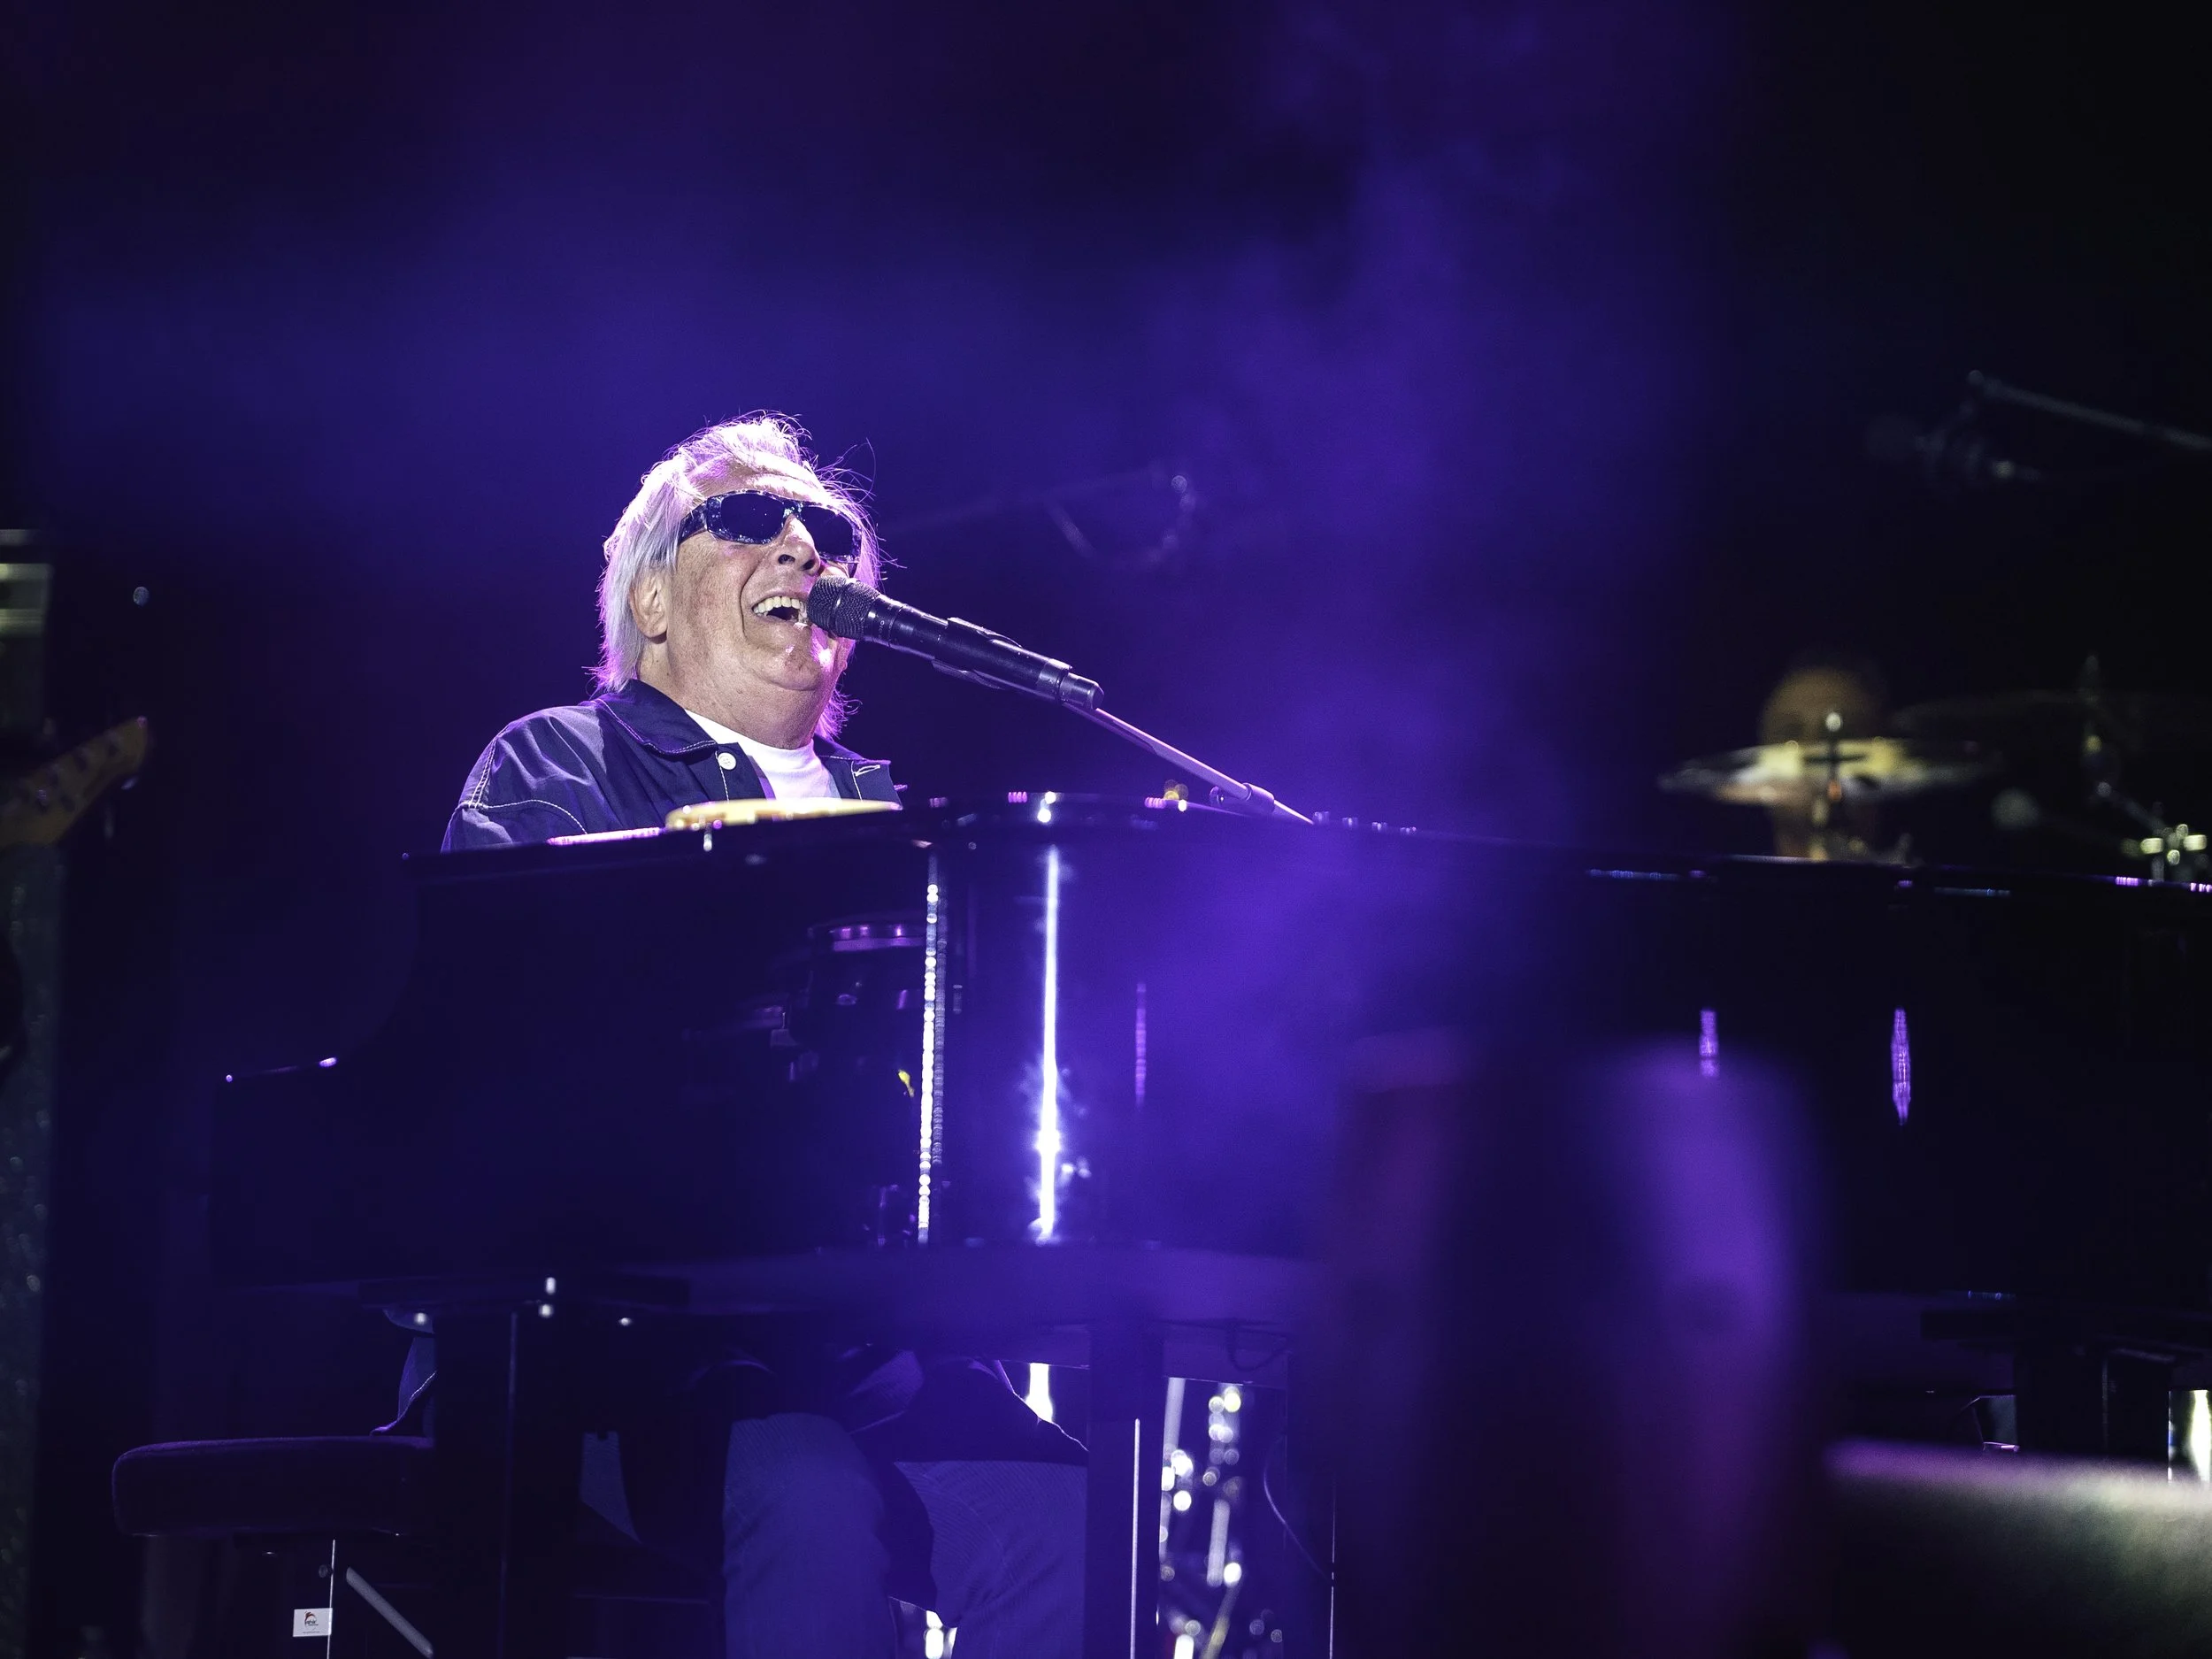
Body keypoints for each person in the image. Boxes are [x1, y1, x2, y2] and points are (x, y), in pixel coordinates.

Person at [420, 414, 1087, 1657]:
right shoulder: (557, 765)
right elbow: (513, 1057)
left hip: (861, 1345)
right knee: (807, 1487)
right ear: (652, 602)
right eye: (744, 521)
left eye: (825, 532)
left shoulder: (913, 824)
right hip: (616, 1349)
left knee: (1079, 1526)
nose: (798, 545)